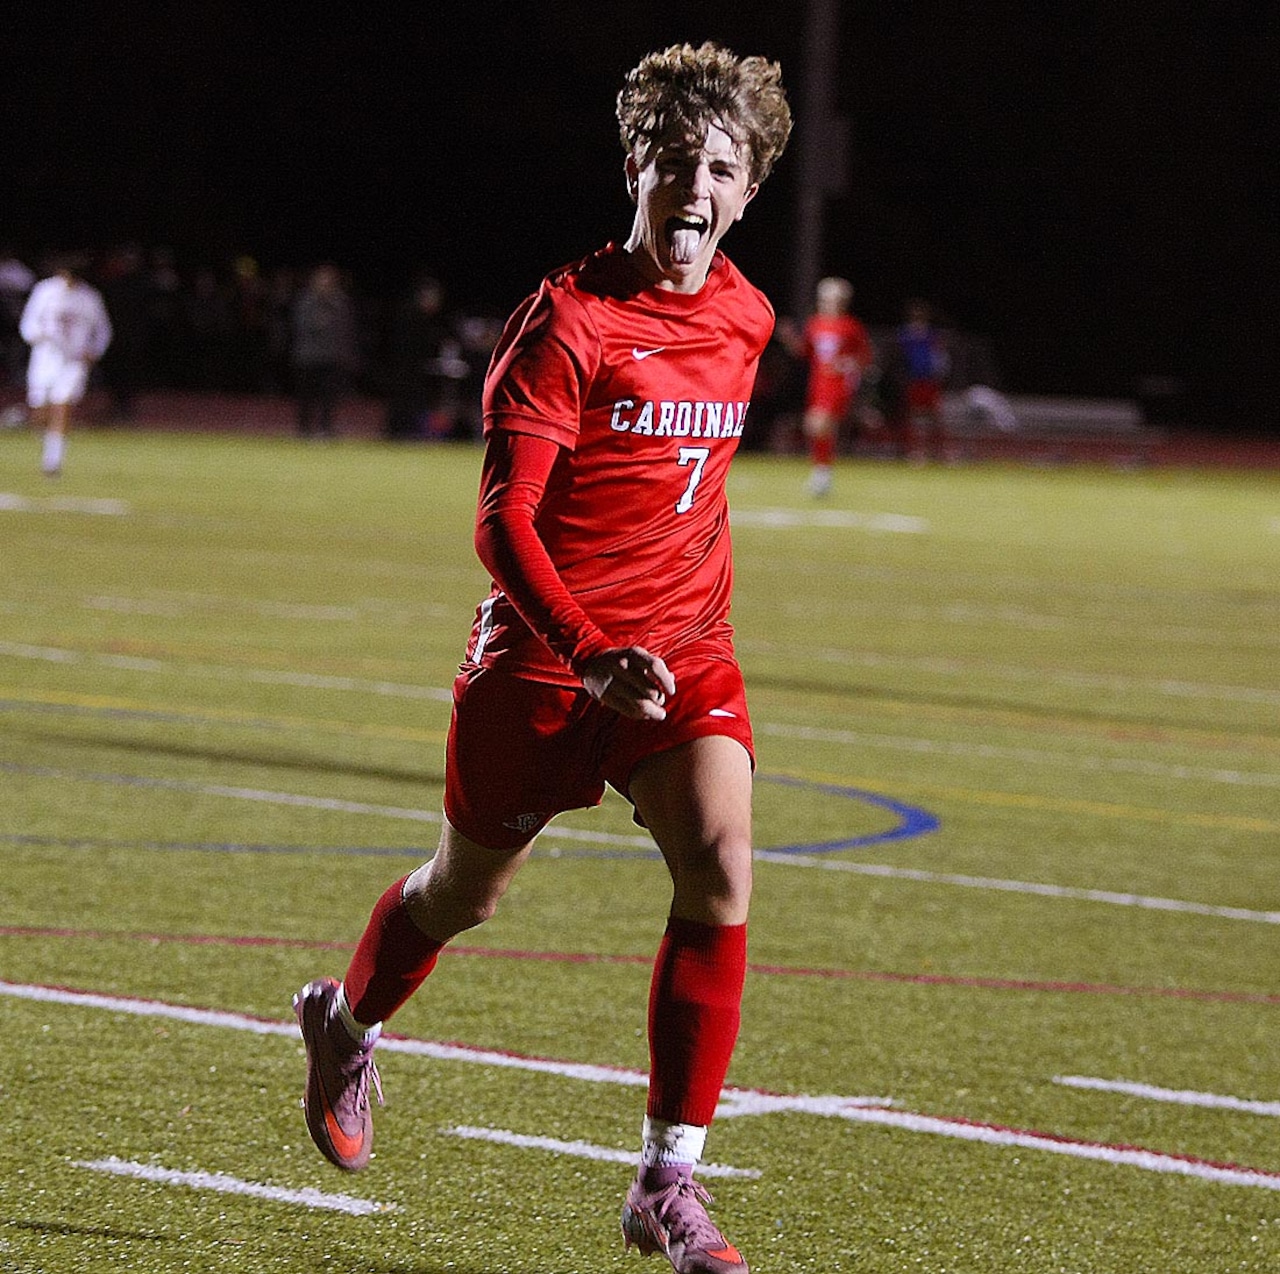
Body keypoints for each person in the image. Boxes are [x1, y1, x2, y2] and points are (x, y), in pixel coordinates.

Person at [293, 41, 792, 1274]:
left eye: (720, 168)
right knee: (464, 893)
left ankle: (666, 1179)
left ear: (745, 192)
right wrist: (586, 647)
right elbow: (500, 521)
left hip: (683, 654)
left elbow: (687, 495)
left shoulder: (747, 317)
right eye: (674, 160)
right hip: (543, 659)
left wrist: (662, 631)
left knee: (723, 864)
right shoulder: (566, 319)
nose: (695, 184)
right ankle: (347, 1022)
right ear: (636, 168)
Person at [18, 256, 112, 475]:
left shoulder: (89, 297)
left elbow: (103, 330)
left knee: (63, 406)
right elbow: (29, 323)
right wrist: (39, 336)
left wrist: (94, 351)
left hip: (74, 362)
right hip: (45, 359)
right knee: (40, 412)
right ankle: (50, 442)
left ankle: (52, 462)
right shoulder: (45, 291)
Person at [795, 276, 874, 494]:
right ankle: (823, 473)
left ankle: (822, 475)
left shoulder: (851, 326)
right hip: (818, 382)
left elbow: (865, 357)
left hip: (839, 383)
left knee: (818, 425)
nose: (828, 303)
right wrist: (791, 340)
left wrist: (848, 364)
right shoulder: (815, 324)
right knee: (816, 428)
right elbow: (806, 353)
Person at [290, 263, 359, 440]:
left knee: (329, 397)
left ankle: (325, 428)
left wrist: (347, 355)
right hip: (309, 356)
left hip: (332, 357)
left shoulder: (340, 302)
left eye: (329, 278)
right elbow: (300, 326)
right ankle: (303, 429)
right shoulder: (306, 300)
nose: (325, 282)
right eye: (322, 278)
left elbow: (346, 330)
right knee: (306, 396)